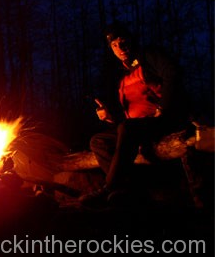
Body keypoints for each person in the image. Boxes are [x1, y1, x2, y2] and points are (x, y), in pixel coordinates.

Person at [78, 22, 189, 207]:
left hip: (162, 120)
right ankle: (126, 190)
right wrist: (109, 116)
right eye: (114, 45)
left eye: (122, 42)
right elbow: (127, 115)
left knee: (128, 128)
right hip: (136, 127)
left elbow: (173, 73)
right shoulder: (121, 75)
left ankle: (110, 186)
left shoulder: (148, 56)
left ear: (130, 40)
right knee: (98, 141)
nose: (120, 48)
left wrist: (163, 108)